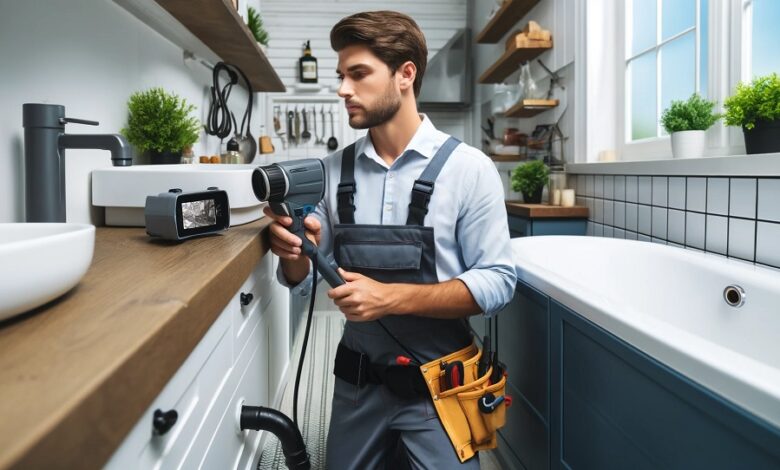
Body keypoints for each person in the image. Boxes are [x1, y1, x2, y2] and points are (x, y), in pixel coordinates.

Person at [264, 10, 517, 469]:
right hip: (357, 385)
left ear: (405, 75)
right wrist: (296, 250)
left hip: (441, 389)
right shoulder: (330, 171)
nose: (343, 89)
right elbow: (300, 283)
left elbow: (498, 282)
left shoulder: (469, 169)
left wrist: (391, 298)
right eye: (341, 75)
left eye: (358, 74)